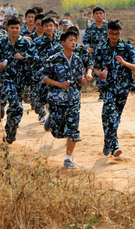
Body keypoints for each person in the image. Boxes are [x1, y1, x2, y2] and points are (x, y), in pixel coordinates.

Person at [41, 31, 89, 169]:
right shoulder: (53, 59)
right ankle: (51, 119)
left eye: (75, 40)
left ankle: (68, 159)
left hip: (73, 99)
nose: (74, 43)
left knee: (73, 130)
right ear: (63, 43)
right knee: (58, 132)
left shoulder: (77, 59)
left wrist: (82, 80)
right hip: (57, 100)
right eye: (70, 40)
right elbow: (43, 78)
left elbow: (79, 75)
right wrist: (58, 84)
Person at [93, 19, 135, 158]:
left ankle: (108, 140)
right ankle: (115, 146)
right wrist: (99, 73)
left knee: (115, 117)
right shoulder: (101, 48)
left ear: (120, 33)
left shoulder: (127, 47)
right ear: (107, 32)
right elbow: (95, 67)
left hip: (123, 88)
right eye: (112, 33)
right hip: (107, 87)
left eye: (117, 34)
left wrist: (124, 62)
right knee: (109, 113)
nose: (114, 36)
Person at [0, 17, 39, 144]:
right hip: (6, 79)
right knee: (16, 105)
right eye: (12, 27)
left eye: (17, 28)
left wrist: (24, 57)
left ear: (20, 29)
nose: (14, 30)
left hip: (22, 80)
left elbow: (36, 58)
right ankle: (11, 132)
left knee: (15, 107)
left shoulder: (26, 43)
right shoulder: (0, 43)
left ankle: (10, 131)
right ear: (7, 28)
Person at [32, 16, 60, 122]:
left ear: (54, 27)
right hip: (42, 71)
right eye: (46, 26)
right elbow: (34, 56)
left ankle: (51, 117)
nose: (49, 28)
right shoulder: (37, 41)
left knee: (55, 94)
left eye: (51, 25)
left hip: (57, 72)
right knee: (41, 94)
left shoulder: (60, 40)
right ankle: (40, 107)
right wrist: (42, 59)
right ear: (42, 27)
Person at [83, 6, 109, 101]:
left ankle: (108, 92)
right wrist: (88, 47)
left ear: (103, 15)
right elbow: (86, 40)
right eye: (96, 13)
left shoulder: (108, 27)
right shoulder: (90, 28)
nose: (99, 15)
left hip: (107, 54)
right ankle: (102, 93)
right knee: (98, 73)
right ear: (93, 15)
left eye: (100, 13)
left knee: (108, 72)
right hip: (95, 55)